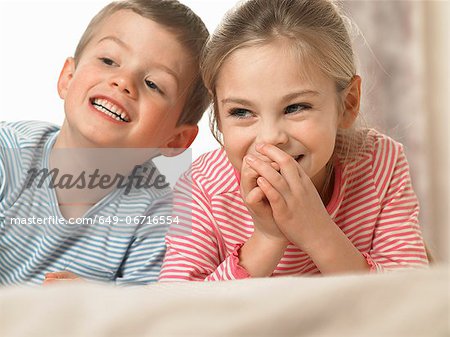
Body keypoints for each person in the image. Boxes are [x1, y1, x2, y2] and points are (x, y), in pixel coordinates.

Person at [159, 0, 429, 281]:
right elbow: (180, 312)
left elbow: (407, 297)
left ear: (347, 104)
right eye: (241, 112)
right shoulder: (202, 187)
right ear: (218, 116)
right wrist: (267, 238)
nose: (270, 138)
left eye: (295, 107)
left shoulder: (380, 164)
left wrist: (316, 231)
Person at [0, 0, 209, 285]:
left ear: (176, 140)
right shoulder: (7, 154)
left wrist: (95, 298)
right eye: (108, 61)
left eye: (153, 84)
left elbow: (149, 307)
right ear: (68, 78)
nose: (123, 81)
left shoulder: (157, 214)